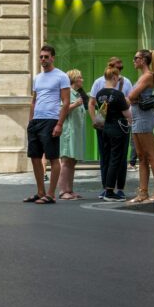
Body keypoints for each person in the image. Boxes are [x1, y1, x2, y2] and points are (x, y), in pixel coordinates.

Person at [24, 45, 70, 205]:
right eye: (41, 56)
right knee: (35, 158)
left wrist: (59, 124)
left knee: (52, 157)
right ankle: (40, 192)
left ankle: (51, 194)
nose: (43, 59)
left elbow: (65, 102)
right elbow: (34, 101)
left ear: (53, 57)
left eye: (46, 56)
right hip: (36, 121)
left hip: (51, 120)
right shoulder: (37, 78)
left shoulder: (61, 76)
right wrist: (30, 121)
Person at [89, 57, 134, 199]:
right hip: (110, 125)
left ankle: (119, 188)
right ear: (111, 69)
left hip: (115, 125)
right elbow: (91, 103)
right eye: (117, 68)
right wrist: (95, 121)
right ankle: (107, 188)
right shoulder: (99, 83)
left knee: (119, 159)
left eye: (121, 69)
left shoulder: (125, 82)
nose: (119, 72)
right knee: (108, 157)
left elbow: (130, 100)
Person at [127, 49, 154, 202]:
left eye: (135, 58)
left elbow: (131, 96)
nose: (134, 60)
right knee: (141, 156)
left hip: (143, 118)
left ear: (143, 60)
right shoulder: (143, 77)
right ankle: (143, 192)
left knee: (151, 155)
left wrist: (133, 98)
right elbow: (133, 98)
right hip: (137, 117)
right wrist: (133, 99)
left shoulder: (148, 76)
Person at [56, 69, 86, 200]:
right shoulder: (67, 93)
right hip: (68, 132)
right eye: (80, 78)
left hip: (75, 132)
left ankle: (69, 189)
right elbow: (61, 110)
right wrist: (75, 105)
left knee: (72, 162)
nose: (82, 80)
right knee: (66, 161)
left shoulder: (77, 94)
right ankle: (62, 191)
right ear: (74, 79)